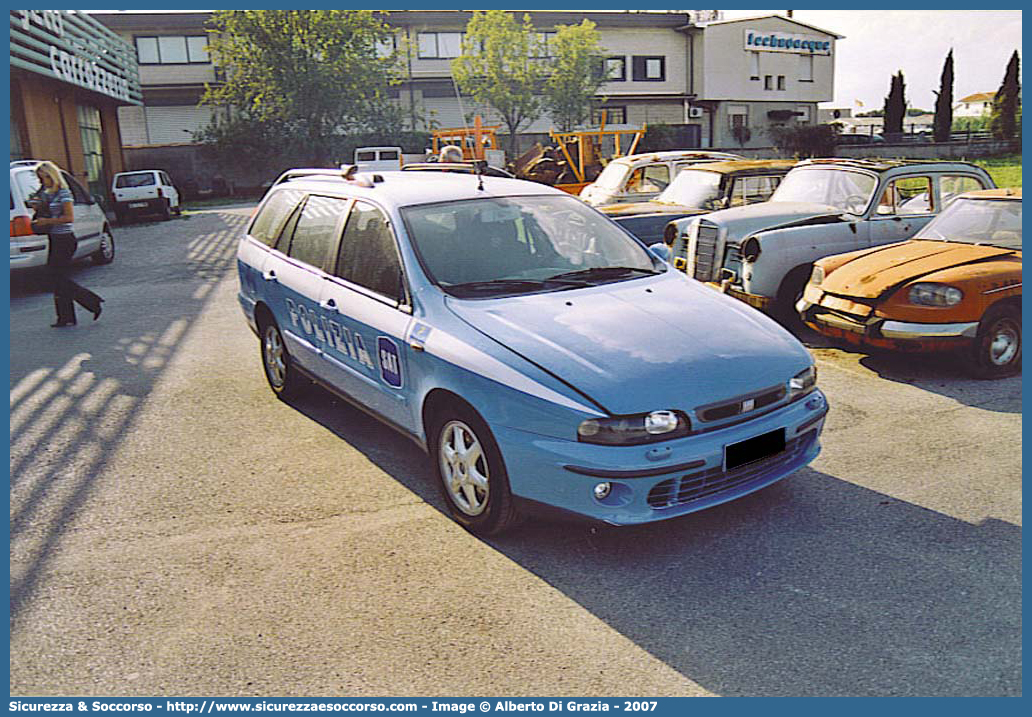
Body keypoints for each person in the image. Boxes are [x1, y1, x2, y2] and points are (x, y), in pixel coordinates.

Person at [29, 161, 103, 327]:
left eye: (43, 178)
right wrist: (36, 207)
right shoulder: (47, 193)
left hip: (65, 240)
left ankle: (92, 301)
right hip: (54, 239)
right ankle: (66, 317)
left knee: (55, 277)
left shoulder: (64, 193)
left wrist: (47, 220)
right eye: (39, 179)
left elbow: (69, 218)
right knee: (58, 278)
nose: (41, 181)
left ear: (51, 176)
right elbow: (43, 208)